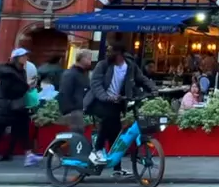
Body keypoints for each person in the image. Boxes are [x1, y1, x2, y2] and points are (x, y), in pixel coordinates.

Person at [85, 47, 157, 175]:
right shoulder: (103, 65)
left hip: (117, 102)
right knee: (107, 120)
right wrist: (106, 97)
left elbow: (141, 79)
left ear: (121, 55)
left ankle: (117, 169)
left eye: (113, 53)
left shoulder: (130, 66)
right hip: (100, 101)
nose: (109, 55)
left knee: (116, 135)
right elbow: (95, 84)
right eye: (108, 53)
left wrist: (153, 89)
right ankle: (97, 150)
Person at [0, 48, 41, 169]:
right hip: (5, 106)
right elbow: (10, 90)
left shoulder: (21, 71)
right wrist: (26, 86)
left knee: (23, 129)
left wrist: (26, 86)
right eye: (23, 56)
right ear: (16, 58)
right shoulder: (7, 72)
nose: (26, 58)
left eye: (26, 56)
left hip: (16, 106)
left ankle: (29, 155)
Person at [58, 50, 93, 134]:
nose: (90, 61)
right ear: (82, 59)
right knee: (76, 135)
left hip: (80, 110)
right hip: (74, 112)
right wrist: (69, 110)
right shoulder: (70, 74)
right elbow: (64, 93)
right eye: (89, 58)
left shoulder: (83, 74)